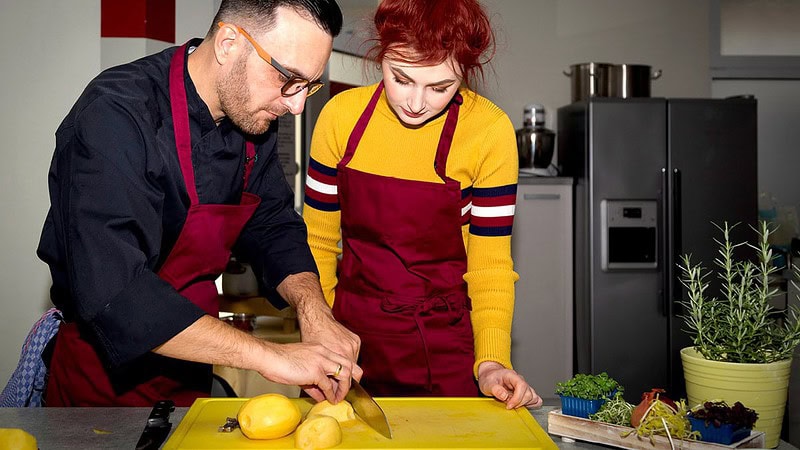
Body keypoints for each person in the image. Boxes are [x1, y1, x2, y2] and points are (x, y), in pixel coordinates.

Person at [34, 0, 361, 407]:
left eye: (307, 85)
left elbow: (274, 225)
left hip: (192, 374)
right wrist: (269, 356)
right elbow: (113, 293)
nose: (295, 105)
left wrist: (313, 310)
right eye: (287, 78)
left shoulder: (251, 120)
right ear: (228, 43)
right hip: (101, 386)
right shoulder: (115, 115)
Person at [302, 0, 542, 409]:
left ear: (465, 72)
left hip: (445, 348)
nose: (416, 102)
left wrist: (491, 361)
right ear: (380, 52)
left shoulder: (489, 133)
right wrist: (318, 335)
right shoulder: (339, 118)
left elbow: (489, 268)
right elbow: (317, 246)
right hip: (347, 342)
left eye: (440, 87)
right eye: (401, 77)